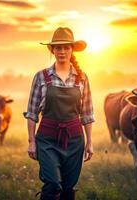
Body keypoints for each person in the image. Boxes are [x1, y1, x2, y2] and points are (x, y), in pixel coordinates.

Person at [23, 27, 94, 200]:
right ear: (52, 50)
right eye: (58, 48)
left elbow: (87, 114)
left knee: (68, 187)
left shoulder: (82, 77)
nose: (62, 51)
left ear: (72, 49)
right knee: (53, 184)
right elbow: (32, 113)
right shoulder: (41, 76)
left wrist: (89, 142)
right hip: (47, 139)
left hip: (75, 139)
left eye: (66, 47)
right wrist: (32, 142)